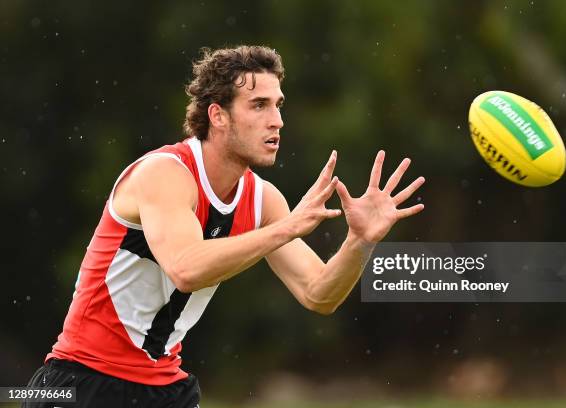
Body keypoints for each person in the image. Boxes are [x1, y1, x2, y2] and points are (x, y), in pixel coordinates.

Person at [23, 45, 425, 407]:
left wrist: (359, 243)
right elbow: (186, 268)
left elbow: (319, 293)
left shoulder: (263, 200)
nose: (277, 121)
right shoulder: (165, 173)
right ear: (217, 114)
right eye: (259, 105)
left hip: (166, 391)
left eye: (278, 105)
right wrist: (286, 228)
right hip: (83, 382)